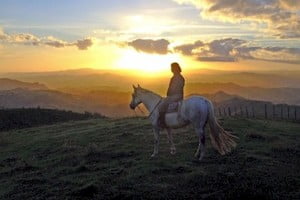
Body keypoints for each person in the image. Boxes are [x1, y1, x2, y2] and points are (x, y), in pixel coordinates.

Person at [158, 62, 185, 127]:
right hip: (177, 95)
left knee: (162, 104)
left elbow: (173, 88)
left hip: (176, 96)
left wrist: (168, 95)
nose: (171, 69)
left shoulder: (176, 77)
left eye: (172, 68)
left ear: (174, 68)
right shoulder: (180, 77)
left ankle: (162, 123)